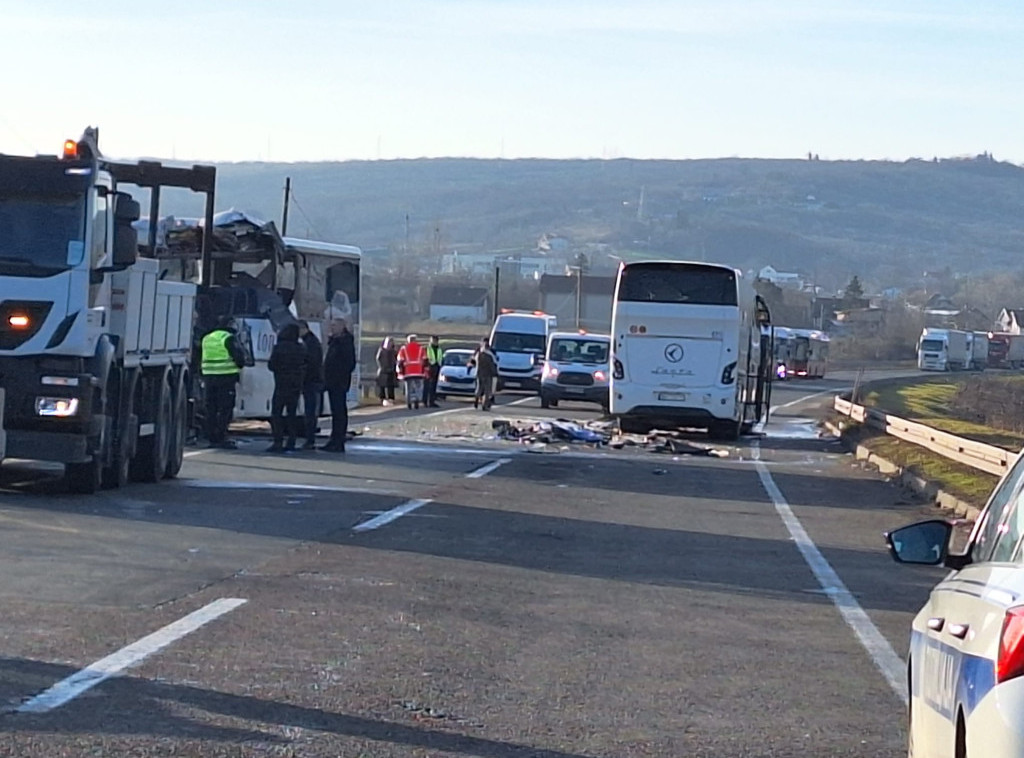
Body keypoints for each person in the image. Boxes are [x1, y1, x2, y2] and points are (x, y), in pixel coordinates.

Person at [200, 316, 247, 448]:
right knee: (225, 408)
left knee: (211, 408)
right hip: (226, 378)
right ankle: (221, 436)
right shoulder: (228, 338)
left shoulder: (207, 338)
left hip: (209, 377)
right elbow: (238, 357)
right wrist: (240, 364)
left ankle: (211, 437)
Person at [267, 323, 308, 452]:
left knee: (277, 413)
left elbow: (271, 365)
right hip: (295, 385)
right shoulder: (301, 348)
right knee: (292, 414)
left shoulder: (279, 347)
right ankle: (291, 441)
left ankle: (278, 441)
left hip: (281, 383)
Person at [322, 318, 357, 452]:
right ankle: (334, 439)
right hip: (333, 381)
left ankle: (338, 440)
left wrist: (337, 375)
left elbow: (349, 363)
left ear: (342, 327)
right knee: (336, 412)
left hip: (338, 382)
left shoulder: (344, 342)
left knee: (339, 412)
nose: (332, 328)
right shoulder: (336, 341)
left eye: (334, 325)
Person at [298, 320, 324, 450]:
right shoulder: (312, 341)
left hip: (311, 381)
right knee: (310, 411)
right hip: (313, 381)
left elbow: (311, 363)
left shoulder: (310, 343)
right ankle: (309, 439)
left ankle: (310, 440)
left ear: (304, 329)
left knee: (310, 411)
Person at [397, 334, 426, 410]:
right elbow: (425, 359)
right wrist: (425, 371)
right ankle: (416, 400)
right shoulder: (421, 348)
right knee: (418, 387)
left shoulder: (403, 349)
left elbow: (400, 360)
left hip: (408, 372)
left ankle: (409, 402)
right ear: (415, 340)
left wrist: (400, 372)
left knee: (408, 388)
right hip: (418, 371)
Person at [469, 337, 499, 411]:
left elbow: (472, 361)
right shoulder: (491, 353)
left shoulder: (478, 351)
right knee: (487, 390)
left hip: (479, 373)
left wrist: (471, 367)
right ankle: (484, 405)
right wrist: (495, 373)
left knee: (479, 388)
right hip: (488, 374)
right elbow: (494, 363)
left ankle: (476, 398)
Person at [376, 336, 398, 406]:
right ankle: (382, 398)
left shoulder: (394, 351)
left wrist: (394, 365)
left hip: (391, 370)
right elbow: (378, 359)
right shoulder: (382, 350)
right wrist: (381, 366)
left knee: (391, 385)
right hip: (383, 370)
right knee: (382, 385)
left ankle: (391, 398)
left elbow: (396, 359)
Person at [423, 335, 443, 408]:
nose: (435, 342)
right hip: (429, 367)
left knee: (434, 385)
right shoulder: (427, 349)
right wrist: (427, 366)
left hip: (436, 367)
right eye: (433, 340)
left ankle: (432, 401)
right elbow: (424, 358)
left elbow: (440, 358)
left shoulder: (439, 349)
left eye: (436, 340)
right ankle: (425, 401)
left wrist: (439, 365)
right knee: (427, 385)